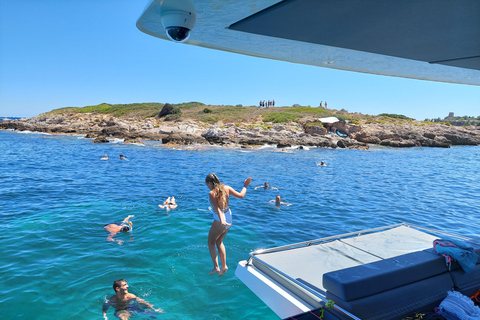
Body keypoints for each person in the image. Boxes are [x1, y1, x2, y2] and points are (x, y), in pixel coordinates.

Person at [205, 173, 251, 277]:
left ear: (210, 183)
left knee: (211, 242)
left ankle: (216, 267)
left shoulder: (212, 193)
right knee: (219, 241)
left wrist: (222, 220)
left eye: (207, 184)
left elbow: (218, 209)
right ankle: (224, 266)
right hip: (229, 217)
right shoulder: (227, 188)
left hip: (220, 220)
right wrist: (245, 186)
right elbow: (241, 195)